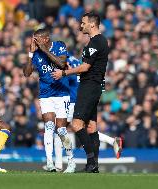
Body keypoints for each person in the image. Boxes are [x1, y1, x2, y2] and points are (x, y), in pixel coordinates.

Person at [52, 12, 111, 173]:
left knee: (76, 124)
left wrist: (63, 73)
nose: (81, 25)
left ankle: (91, 161)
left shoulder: (95, 43)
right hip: (95, 85)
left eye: (83, 22)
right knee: (91, 127)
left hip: (89, 86)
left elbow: (86, 67)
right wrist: (75, 71)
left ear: (92, 24)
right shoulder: (100, 41)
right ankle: (94, 165)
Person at [52, 55, 123, 171]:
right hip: (87, 99)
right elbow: (100, 79)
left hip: (73, 101)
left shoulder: (65, 62)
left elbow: (63, 80)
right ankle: (111, 142)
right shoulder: (80, 62)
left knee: (60, 130)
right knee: (87, 130)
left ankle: (58, 166)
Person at [23, 28, 76, 173]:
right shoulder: (36, 53)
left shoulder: (59, 45)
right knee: (49, 127)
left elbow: (61, 64)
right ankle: (50, 162)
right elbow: (27, 73)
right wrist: (30, 54)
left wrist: (45, 50)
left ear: (45, 39)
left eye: (37, 39)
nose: (34, 42)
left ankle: (71, 162)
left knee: (62, 130)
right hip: (46, 94)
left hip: (62, 93)